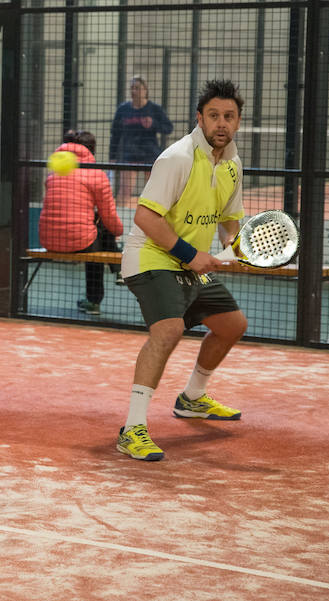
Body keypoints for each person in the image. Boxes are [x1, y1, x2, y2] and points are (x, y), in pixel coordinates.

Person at [118, 79, 247, 462]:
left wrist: (235, 249)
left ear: (238, 122)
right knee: (169, 330)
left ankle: (191, 398)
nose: (221, 123)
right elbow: (144, 217)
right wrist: (192, 255)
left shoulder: (232, 165)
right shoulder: (178, 157)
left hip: (191, 265)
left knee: (232, 324)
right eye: (213, 116)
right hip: (151, 259)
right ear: (199, 119)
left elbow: (230, 220)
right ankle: (132, 428)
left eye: (229, 116)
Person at [38, 130, 124, 316]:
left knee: (92, 228)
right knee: (101, 228)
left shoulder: (55, 172)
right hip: (79, 242)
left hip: (48, 239)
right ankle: (101, 292)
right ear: (92, 151)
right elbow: (109, 216)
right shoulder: (95, 174)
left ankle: (118, 272)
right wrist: (119, 232)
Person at [109, 76, 174, 205]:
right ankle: (121, 218)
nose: (134, 91)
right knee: (124, 191)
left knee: (152, 191)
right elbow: (115, 134)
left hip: (149, 154)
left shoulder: (154, 109)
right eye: (132, 88)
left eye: (137, 88)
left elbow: (168, 128)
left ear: (145, 90)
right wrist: (112, 156)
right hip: (129, 155)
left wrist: (153, 124)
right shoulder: (123, 109)